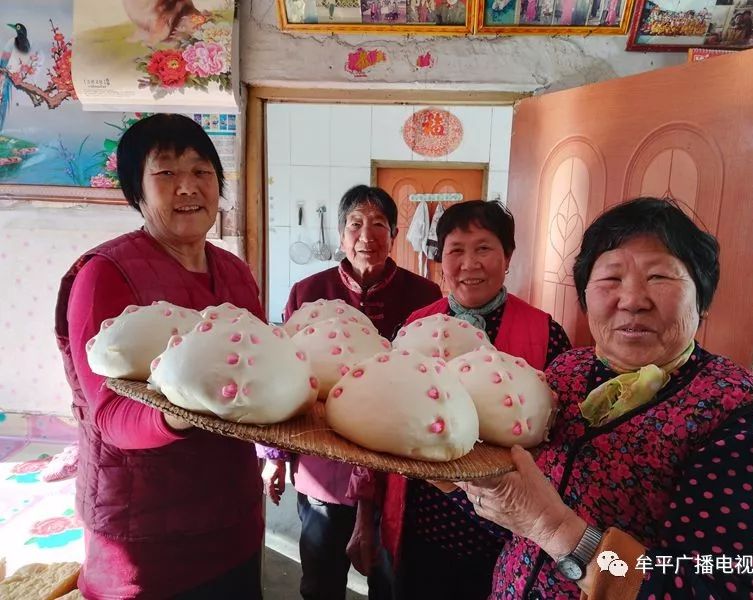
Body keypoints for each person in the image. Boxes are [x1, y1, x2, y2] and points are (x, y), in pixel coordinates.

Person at [458, 197, 753, 599]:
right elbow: (512, 505)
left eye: (659, 277)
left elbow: (729, 589)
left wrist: (556, 530)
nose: (633, 299)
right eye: (610, 279)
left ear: (702, 300)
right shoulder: (565, 373)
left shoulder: (741, 420)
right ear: (585, 297)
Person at [54, 114, 264, 598]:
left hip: (233, 518)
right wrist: (185, 406)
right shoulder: (105, 275)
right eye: (166, 173)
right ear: (137, 191)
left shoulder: (233, 271)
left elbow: (253, 380)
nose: (188, 186)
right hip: (146, 537)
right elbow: (109, 414)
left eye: (202, 171)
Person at [375, 200, 571, 600]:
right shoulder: (415, 326)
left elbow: (561, 433)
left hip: (507, 532)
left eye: (483, 248)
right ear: (440, 259)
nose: (470, 263)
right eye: (456, 251)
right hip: (422, 519)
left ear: (508, 256)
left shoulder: (546, 332)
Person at [265, 185, 442, 600]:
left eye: (380, 224)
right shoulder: (307, 293)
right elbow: (284, 376)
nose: (368, 235)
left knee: (390, 581)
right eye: (356, 224)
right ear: (342, 235)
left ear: (394, 234)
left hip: (398, 466)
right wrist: (274, 455)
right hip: (324, 465)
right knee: (321, 580)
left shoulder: (424, 297)